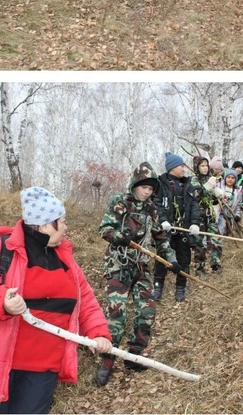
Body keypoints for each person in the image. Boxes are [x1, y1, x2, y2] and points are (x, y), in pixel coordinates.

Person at [0, 186, 112, 414]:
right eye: (62, 221)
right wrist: (0, 302)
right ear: (46, 225)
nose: (66, 227)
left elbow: (84, 301)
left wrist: (98, 332)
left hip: (44, 370)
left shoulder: (66, 261)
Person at [95, 163, 181, 386]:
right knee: (117, 314)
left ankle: (134, 355)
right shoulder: (119, 202)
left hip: (141, 267)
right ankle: (108, 358)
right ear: (135, 185)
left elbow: (160, 238)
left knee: (147, 311)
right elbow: (104, 229)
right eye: (143, 187)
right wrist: (119, 236)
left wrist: (172, 259)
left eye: (151, 189)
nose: (147, 191)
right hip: (118, 266)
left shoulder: (151, 209)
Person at [153, 153, 201, 302]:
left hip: (183, 230)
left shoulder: (188, 185)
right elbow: (157, 203)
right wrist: (162, 220)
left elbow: (194, 205)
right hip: (166, 229)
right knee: (162, 256)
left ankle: (181, 286)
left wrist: (194, 223)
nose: (184, 169)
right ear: (173, 168)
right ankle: (157, 285)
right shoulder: (160, 184)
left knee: (184, 258)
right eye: (181, 166)